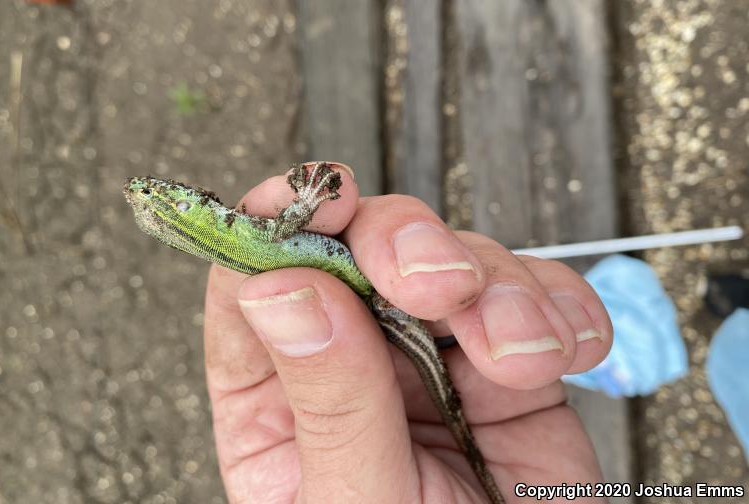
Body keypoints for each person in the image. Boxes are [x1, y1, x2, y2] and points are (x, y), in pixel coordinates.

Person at [203, 163, 612, 502]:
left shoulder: (235, 238)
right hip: (380, 305)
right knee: (432, 297)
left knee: (433, 291)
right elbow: (281, 231)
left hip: (380, 304)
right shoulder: (243, 238)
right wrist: (309, 200)